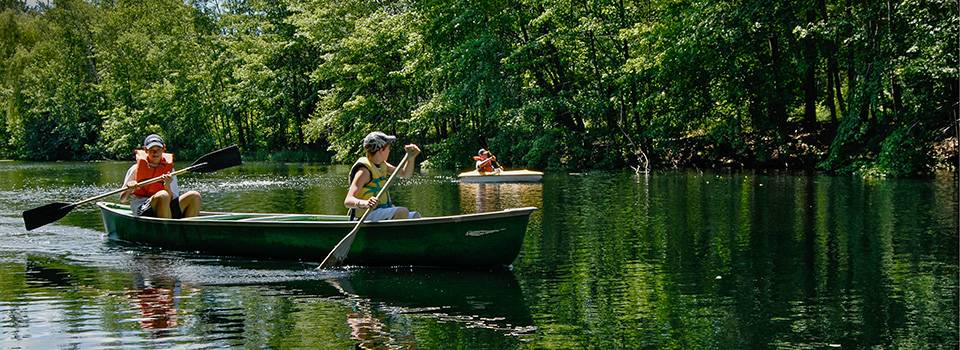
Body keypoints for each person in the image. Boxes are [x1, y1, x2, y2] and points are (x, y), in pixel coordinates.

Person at [344, 131, 421, 221]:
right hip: (364, 215)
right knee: (401, 211)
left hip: (379, 212)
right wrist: (366, 203)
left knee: (415, 216)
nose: (389, 150)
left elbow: (405, 174)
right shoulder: (364, 171)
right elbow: (348, 201)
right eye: (388, 148)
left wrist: (411, 158)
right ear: (381, 150)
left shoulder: (382, 165)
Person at [119, 134, 202, 218]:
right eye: (152, 150)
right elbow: (122, 199)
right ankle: (167, 229)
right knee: (163, 195)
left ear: (163, 149)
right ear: (145, 150)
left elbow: (172, 200)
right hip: (143, 208)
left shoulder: (170, 171)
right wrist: (129, 189)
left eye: (158, 149)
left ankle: (187, 229)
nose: (155, 153)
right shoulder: (135, 169)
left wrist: (167, 186)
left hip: (166, 207)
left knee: (194, 195)